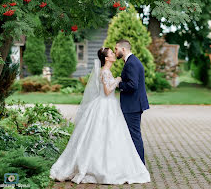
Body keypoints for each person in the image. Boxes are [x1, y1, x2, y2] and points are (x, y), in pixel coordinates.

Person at [49, 47, 150, 185]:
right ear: (106, 58)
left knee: (110, 135)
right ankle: (101, 167)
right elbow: (107, 91)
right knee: (103, 134)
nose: (114, 54)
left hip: (109, 105)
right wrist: (118, 80)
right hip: (105, 105)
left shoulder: (106, 71)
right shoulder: (105, 72)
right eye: (111, 53)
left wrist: (116, 79)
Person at [115, 39, 150, 165]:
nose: (115, 52)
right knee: (133, 135)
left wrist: (119, 84)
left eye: (116, 49)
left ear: (123, 49)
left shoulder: (131, 63)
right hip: (133, 104)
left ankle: (140, 165)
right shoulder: (131, 61)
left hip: (133, 106)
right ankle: (135, 163)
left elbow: (133, 85)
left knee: (134, 135)